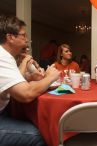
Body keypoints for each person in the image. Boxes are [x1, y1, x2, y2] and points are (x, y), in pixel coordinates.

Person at [0, 14, 60, 146]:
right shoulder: (2, 56)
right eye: (24, 35)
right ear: (10, 37)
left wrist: (30, 77)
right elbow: (26, 95)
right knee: (39, 135)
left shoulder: (6, 56)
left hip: (4, 110)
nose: (27, 40)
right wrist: (50, 77)